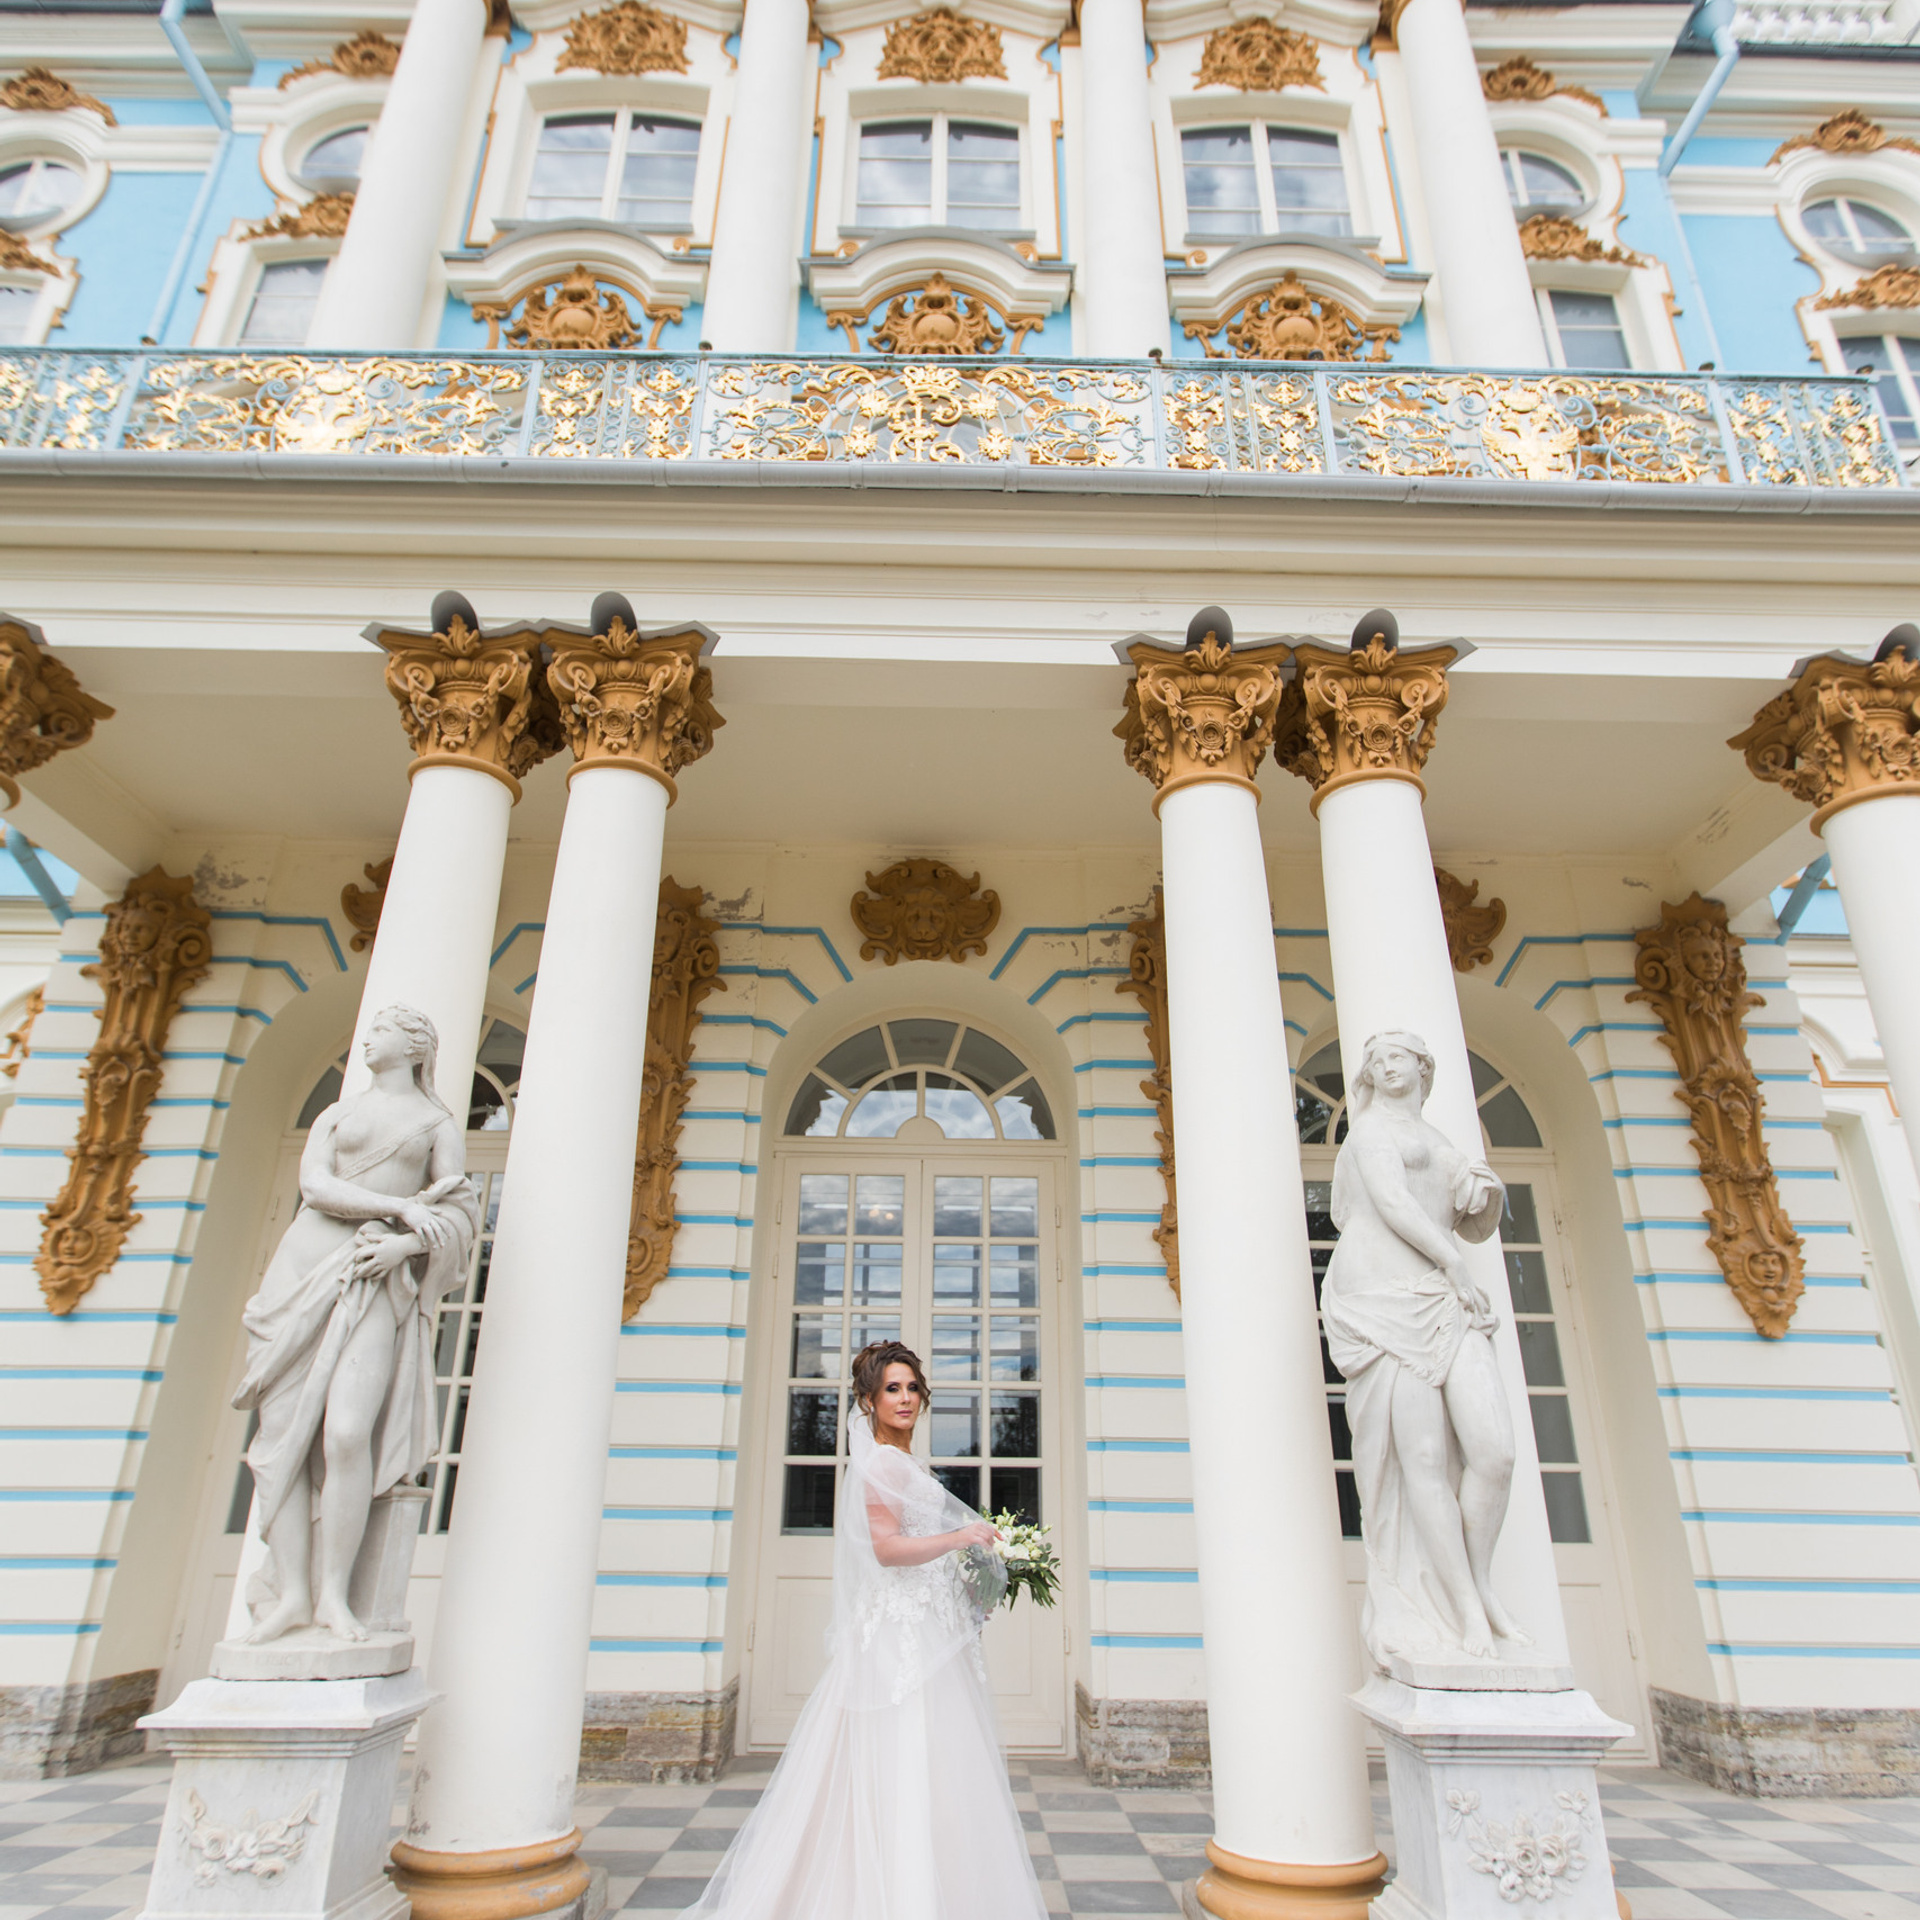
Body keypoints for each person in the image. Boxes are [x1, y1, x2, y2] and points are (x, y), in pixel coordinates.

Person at [682, 1340, 1048, 1919]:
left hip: (927, 1636)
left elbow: (921, 1551)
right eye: (891, 1390)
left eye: (911, 1388)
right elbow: (886, 1549)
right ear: (869, 1401)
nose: (904, 1399)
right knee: (902, 1764)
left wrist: (974, 1573)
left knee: (938, 1775)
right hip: (900, 1649)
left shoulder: (901, 1462)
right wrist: (961, 1539)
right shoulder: (880, 1462)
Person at [232, 1004, 478, 1645]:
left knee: (345, 1434)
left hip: (374, 1279)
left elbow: (460, 1214)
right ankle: (291, 1594)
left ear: (415, 1044)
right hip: (301, 1271)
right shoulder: (336, 1114)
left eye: (380, 1030)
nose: (366, 1036)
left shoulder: (436, 1124)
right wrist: (397, 1208)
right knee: (283, 1440)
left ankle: (335, 1597)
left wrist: (404, 1247)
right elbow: (314, 1186)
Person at [1319, 1029, 1527, 1667]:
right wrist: (1454, 1265)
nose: (1386, 1065)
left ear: (1422, 1067)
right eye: (1376, 1059)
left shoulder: (1441, 1138)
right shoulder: (1369, 1132)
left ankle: (1481, 1583)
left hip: (1441, 1297)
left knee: (1493, 1452)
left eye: (1398, 1056)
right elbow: (1391, 1203)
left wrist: (1487, 1194)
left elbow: (1475, 1223)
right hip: (1383, 1300)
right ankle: (1464, 1607)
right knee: (1423, 1463)